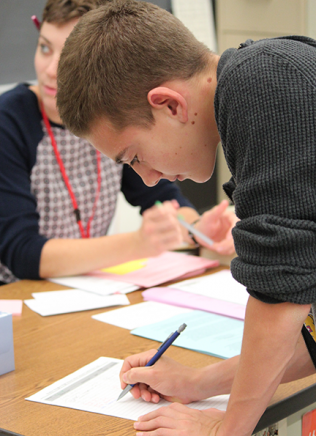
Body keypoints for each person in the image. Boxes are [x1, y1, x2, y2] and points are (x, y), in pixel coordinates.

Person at [56, 0, 316, 436]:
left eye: (133, 156)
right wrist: (201, 383)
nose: (149, 179)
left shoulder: (263, 85)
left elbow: (280, 294)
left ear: (170, 104)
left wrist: (226, 434)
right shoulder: (264, 78)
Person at [0, 0, 237, 284]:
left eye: (65, 61)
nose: (51, 70)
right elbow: (22, 252)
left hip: (81, 289)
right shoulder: (10, 120)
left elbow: (162, 199)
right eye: (44, 48)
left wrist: (196, 228)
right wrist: (138, 243)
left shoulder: (112, 120)